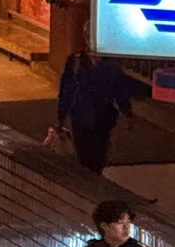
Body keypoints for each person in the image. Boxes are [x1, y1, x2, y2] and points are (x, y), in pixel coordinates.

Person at [56, 46, 136, 175]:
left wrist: (127, 113)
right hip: (83, 117)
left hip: (100, 118)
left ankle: (92, 179)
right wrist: (61, 116)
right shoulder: (78, 62)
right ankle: (90, 180)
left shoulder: (109, 65)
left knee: (97, 156)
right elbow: (66, 92)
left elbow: (120, 92)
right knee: (86, 155)